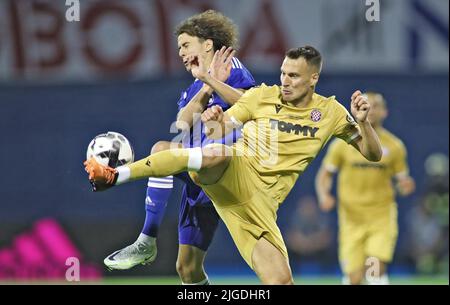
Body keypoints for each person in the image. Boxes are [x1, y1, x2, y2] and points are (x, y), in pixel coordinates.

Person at [84, 45, 382, 284]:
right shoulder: (262, 96)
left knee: (280, 281)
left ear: (313, 79)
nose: (285, 81)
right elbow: (219, 132)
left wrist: (364, 123)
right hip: (235, 172)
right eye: (283, 73)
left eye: (293, 76)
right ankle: (115, 175)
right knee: (212, 153)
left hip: (259, 208)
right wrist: (214, 119)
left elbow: (373, 154)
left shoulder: (330, 111)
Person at [102, 10, 255, 286]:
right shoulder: (198, 84)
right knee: (187, 269)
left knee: (162, 149)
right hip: (199, 179)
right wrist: (206, 86)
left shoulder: (232, 69)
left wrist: (214, 82)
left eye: (186, 45)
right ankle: (147, 243)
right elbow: (183, 123)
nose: (182, 53)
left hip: (227, 173)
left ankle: (146, 240)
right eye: (179, 48)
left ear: (207, 44)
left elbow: (253, 103)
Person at [315, 92, 416, 285]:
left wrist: (405, 187)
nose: (369, 109)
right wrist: (323, 195)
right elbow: (325, 174)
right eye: (365, 104)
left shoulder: (395, 146)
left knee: (374, 269)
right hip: (351, 219)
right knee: (354, 278)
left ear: (384, 112)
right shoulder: (343, 144)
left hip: (380, 217)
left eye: (375, 105)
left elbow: (402, 181)